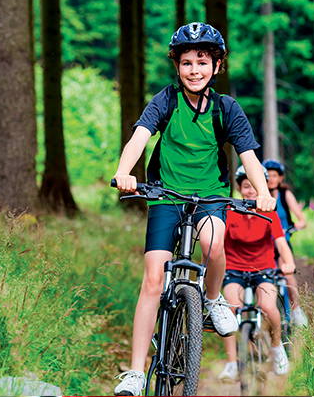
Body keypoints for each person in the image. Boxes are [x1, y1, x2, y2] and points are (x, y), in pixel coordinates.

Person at [113, 22, 275, 396]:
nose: (194, 70)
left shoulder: (226, 108)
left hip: (211, 196)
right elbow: (140, 136)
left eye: (202, 61)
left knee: (215, 246)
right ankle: (136, 373)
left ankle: (212, 297)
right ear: (177, 67)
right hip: (166, 195)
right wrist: (124, 172)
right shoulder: (165, 101)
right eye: (186, 62)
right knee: (153, 278)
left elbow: (249, 157)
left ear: (216, 66)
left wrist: (263, 193)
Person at [218, 166, 296, 381]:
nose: (250, 191)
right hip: (234, 269)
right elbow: (217, 243)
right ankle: (232, 363)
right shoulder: (230, 211)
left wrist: (288, 263)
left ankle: (277, 349)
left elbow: (281, 242)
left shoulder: (268, 212)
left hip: (263, 269)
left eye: (254, 186)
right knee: (230, 310)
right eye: (245, 186)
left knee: (269, 306)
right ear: (239, 188)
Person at [262, 158, 308, 327]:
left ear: (281, 178)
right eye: (268, 175)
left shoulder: (284, 195)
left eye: (275, 175)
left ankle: (296, 309)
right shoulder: (259, 195)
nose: (271, 179)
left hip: (282, 243)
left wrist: (295, 226)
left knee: (288, 275)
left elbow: (301, 219)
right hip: (264, 244)